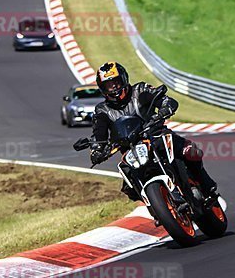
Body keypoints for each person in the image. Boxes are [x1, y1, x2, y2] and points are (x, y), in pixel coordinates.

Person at [89, 61, 218, 201]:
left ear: (124, 79)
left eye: (116, 83)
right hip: (130, 149)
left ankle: (206, 186)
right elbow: (98, 134)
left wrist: (165, 107)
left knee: (189, 151)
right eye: (108, 85)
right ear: (103, 89)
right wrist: (97, 149)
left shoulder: (140, 90)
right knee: (129, 186)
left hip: (156, 135)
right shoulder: (102, 110)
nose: (113, 88)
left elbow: (163, 99)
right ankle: (156, 208)